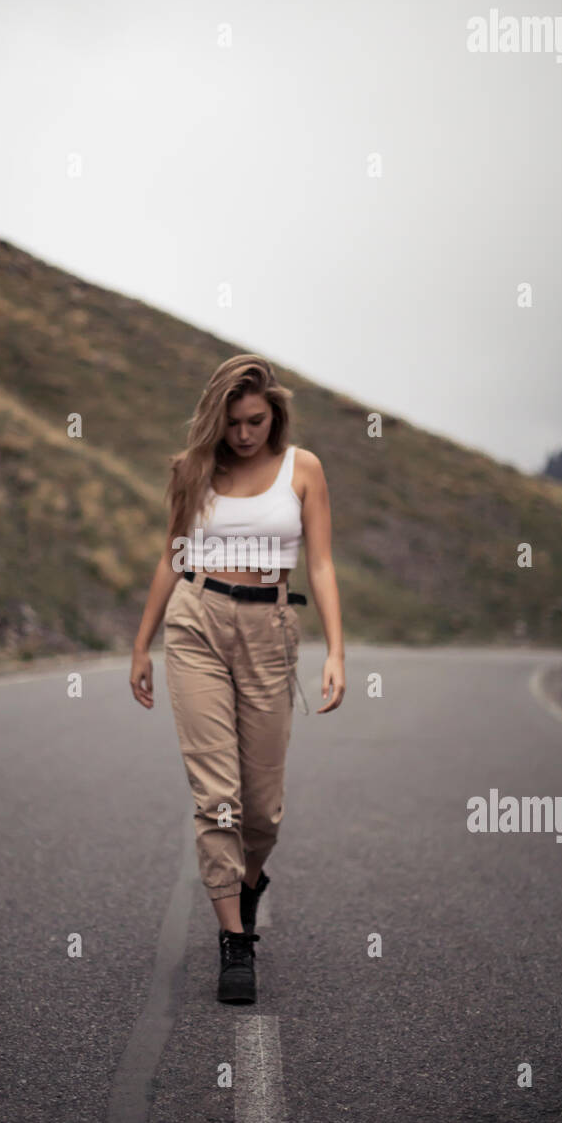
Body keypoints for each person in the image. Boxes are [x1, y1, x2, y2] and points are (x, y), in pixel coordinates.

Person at [130, 355, 346, 1003]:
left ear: (274, 414)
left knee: (263, 810)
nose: (244, 434)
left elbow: (324, 564)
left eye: (255, 421)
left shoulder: (302, 469)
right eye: (232, 424)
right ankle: (234, 942)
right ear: (215, 420)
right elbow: (172, 557)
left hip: (270, 629)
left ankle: (248, 884)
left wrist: (338, 651)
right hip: (196, 620)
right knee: (216, 793)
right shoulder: (194, 470)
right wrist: (141, 645)